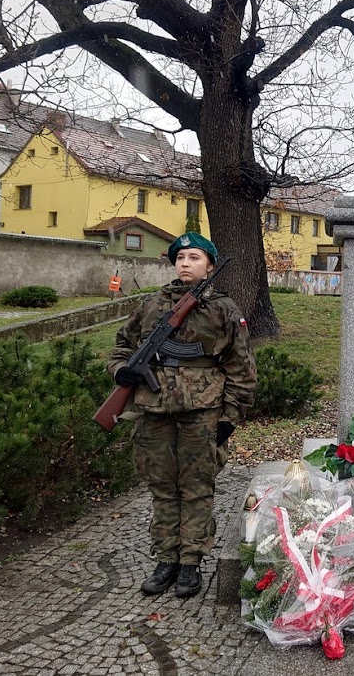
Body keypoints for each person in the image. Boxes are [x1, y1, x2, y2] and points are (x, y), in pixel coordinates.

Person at [108, 232, 256, 598]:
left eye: (194, 257)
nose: (185, 263)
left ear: (209, 265)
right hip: (153, 410)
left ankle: (190, 562)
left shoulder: (223, 308)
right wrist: (121, 371)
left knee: (196, 488)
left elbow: (241, 368)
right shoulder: (152, 304)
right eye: (180, 258)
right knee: (161, 487)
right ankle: (165, 559)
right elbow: (121, 346)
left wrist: (229, 417)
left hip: (202, 412)